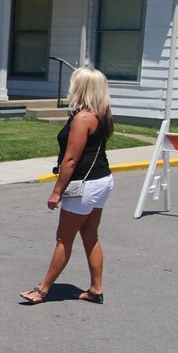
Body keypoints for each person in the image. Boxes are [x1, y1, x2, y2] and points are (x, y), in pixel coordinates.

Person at [19, 67, 115, 305]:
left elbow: (71, 160)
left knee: (64, 238)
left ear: (81, 87)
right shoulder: (101, 114)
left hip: (84, 184)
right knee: (90, 236)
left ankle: (42, 289)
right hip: (102, 180)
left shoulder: (83, 118)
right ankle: (95, 289)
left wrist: (56, 192)